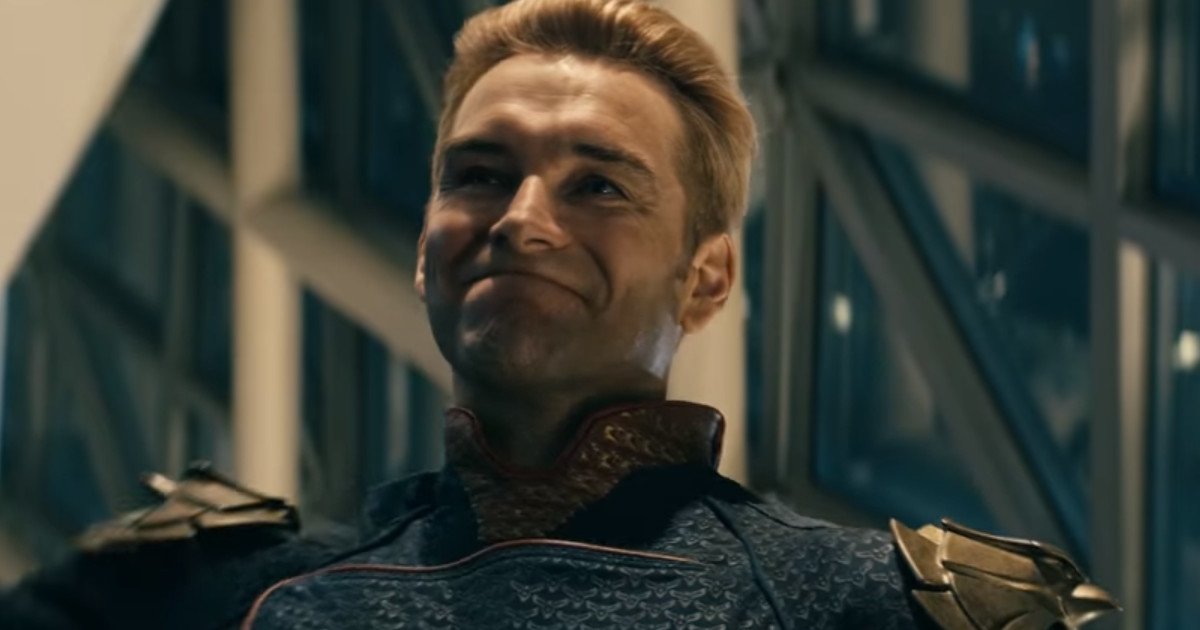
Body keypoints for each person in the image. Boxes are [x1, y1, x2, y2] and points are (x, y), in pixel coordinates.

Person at [0, 0, 1117, 628]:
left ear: (706, 278)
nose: (522, 220)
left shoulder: (883, 612)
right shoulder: (205, 596)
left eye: (599, 185)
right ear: (426, 249)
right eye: (480, 175)